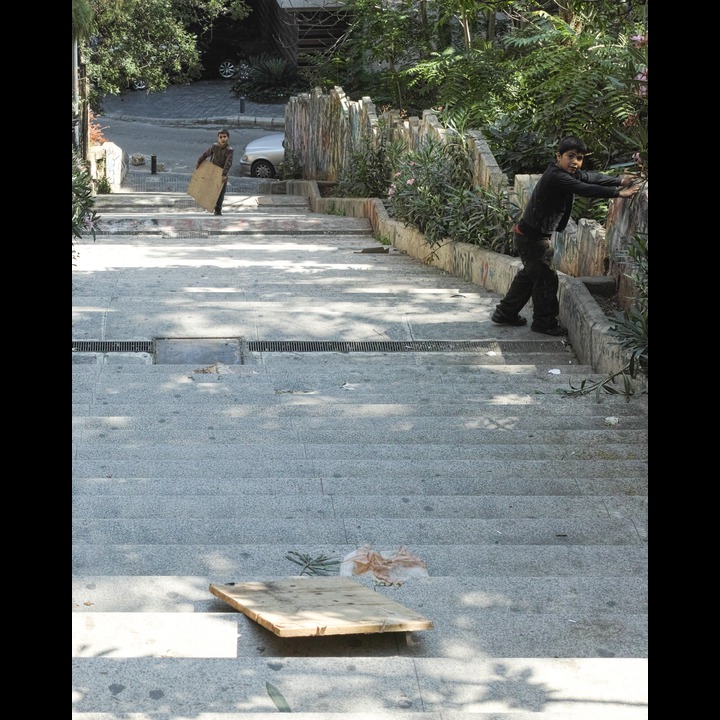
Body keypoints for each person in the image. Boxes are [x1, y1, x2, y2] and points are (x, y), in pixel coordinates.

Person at [491, 136, 641, 336]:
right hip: (532, 238)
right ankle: (544, 323)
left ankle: (505, 313)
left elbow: (589, 178)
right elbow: (584, 188)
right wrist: (619, 192)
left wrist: (620, 180)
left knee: (530, 275)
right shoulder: (556, 176)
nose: (575, 162)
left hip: (531, 235)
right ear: (558, 156)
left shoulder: (566, 173)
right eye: (570, 156)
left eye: (579, 158)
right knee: (546, 279)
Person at [196, 128, 234, 216]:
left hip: (221, 174)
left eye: (225, 137)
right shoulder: (214, 147)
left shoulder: (230, 150)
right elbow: (205, 154)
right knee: (210, 189)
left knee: (221, 193)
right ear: (218, 139)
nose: (223, 139)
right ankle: (209, 205)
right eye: (221, 137)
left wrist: (224, 175)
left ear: (228, 138)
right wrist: (199, 162)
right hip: (212, 171)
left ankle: (218, 209)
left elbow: (228, 163)